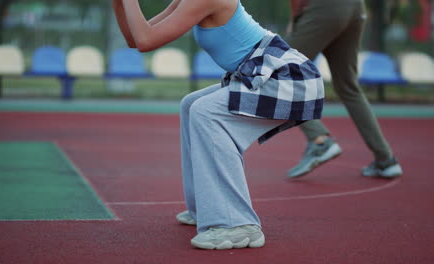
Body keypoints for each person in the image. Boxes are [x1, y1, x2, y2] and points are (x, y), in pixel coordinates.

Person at [112, 0, 324, 250]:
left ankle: (236, 224)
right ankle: (206, 207)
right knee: (193, 103)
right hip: (264, 73)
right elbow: (136, 39)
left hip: (290, 77)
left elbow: (146, 41)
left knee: (207, 112)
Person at [285, 0, 403, 179]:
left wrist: (295, 19)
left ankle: (319, 140)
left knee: (277, 73)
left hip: (324, 9)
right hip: (355, 7)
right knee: (348, 86)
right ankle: (386, 159)